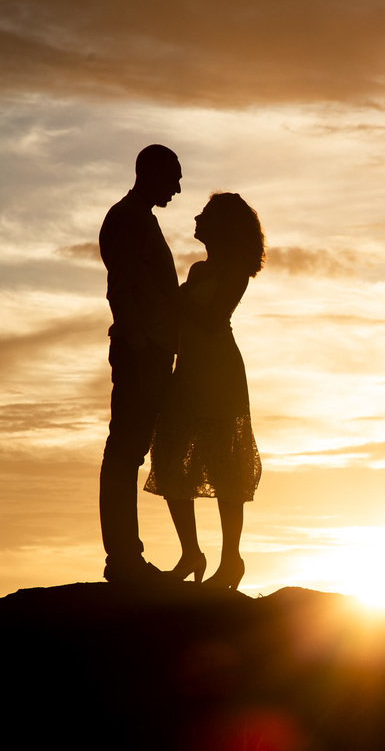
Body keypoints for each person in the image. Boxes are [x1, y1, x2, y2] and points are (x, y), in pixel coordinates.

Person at [145, 192, 265, 590]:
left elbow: (214, 320)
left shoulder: (235, 271)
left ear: (223, 227)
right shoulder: (198, 271)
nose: (196, 218)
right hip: (189, 371)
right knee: (171, 459)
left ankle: (231, 560)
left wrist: (173, 298)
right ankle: (191, 553)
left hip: (220, 373)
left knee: (224, 465)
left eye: (206, 215)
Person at [98, 144, 182, 584]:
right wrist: (139, 340)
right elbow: (121, 288)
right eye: (174, 178)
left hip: (149, 350)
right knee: (124, 451)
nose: (179, 189)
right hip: (140, 352)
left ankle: (126, 557)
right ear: (151, 174)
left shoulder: (139, 218)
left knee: (129, 451)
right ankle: (124, 559)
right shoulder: (129, 218)